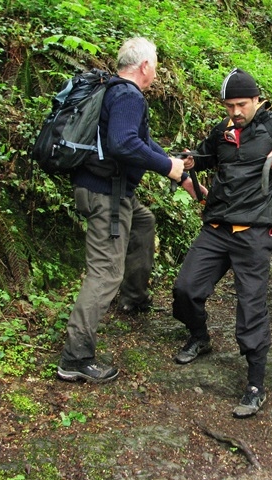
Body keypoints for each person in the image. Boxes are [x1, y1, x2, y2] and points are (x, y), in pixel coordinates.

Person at [172, 68, 272, 417]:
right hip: (216, 227)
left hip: (256, 230)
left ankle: (255, 383)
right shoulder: (222, 130)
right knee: (185, 289)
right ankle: (200, 336)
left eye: (241, 104)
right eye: (229, 106)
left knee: (251, 307)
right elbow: (207, 156)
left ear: (257, 100)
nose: (235, 112)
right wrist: (191, 160)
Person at [57, 37, 198, 383]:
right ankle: (75, 358)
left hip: (105, 191)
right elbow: (123, 143)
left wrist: (174, 166)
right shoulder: (128, 95)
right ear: (145, 66)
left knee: (143, 222)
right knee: (105, 273)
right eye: (156, 66)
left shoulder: (114, 89)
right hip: (107, 196)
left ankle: (133, 297)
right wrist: (166, 167)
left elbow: (141, 141)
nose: (156, 72)